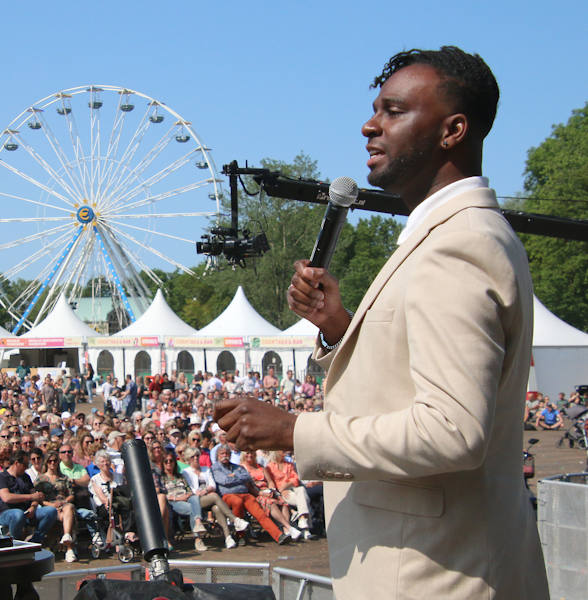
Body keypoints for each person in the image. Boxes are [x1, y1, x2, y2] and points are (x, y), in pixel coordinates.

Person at [215, 46, 547, 599]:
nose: (370, 126)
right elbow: (412, 380)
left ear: (452, 131)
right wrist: (339, 326)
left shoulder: (457, 245)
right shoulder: (455, 236)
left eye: (394, 111)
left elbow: (452, 431)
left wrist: (294, 431)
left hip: (432, 576)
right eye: (376, 110)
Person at [0, 450, 57, 543]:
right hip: (7, 513)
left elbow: (35, 496)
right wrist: (30, 497)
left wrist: (33, 507)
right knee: (18, 514)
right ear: (16, 463)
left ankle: (35, 541)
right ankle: (16, 543)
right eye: (25, 465)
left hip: (27, 511)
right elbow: (6, 497)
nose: (26, 467)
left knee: (51, 511)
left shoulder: (25, 477)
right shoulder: (1, 477)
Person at [33, 450, 77, 562]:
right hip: (49, 507)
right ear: (46, 463)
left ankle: (66, 537)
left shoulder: (64, 477)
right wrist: (52, 505)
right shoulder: (40, 479)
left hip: (64, 505)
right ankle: (69, 549)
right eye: (50, 461)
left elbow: (71, 494)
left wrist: (64, 501)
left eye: (55, 460)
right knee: (65, 516)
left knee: (69, 508)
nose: (52, 463)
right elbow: (38, 498)